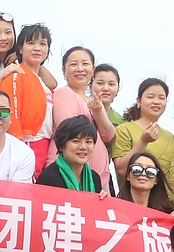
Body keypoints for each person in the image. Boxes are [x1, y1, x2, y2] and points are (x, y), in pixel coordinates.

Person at [45, 47, 116, 187]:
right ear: (63, 70)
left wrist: (98, 110)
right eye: (73, 64)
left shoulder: (92, 100)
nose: (80, 69)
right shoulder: (64, 93)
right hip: (67, 176)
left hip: (92, 179)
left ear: (93, 69)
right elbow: (69, 133)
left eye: (85, 63)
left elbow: (108, 135)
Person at [0, 23, 56, 178]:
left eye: (42, 44)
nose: (37, 48)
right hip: (27, 142)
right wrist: (19, 144)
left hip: (43, 144)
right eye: (31, 43)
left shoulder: (42, 81)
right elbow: (11, 112)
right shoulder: (16, 75)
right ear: (20, 48)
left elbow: (54, 84)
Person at [111, 79, 174, 205]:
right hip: (135, 206)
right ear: (138, 101)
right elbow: (121, 169)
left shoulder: (171, 137)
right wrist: (143, 141)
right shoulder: (124, 130)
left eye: (161, 98)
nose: (156, 101)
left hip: (168, 208)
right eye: (150, 97)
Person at [35, 115, 109, 196]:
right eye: (76, 141)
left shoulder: (94, 178)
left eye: (88, 142)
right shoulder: (48, 178)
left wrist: (102, 202)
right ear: (61, 146)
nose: (83, 147)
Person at [91, 65, 125, 196]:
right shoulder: (81, 107)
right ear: (90, 84)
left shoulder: (121, 122)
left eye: (111, 84)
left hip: (103, 175)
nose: (105, 88)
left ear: (118, 88)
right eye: (100, 83)